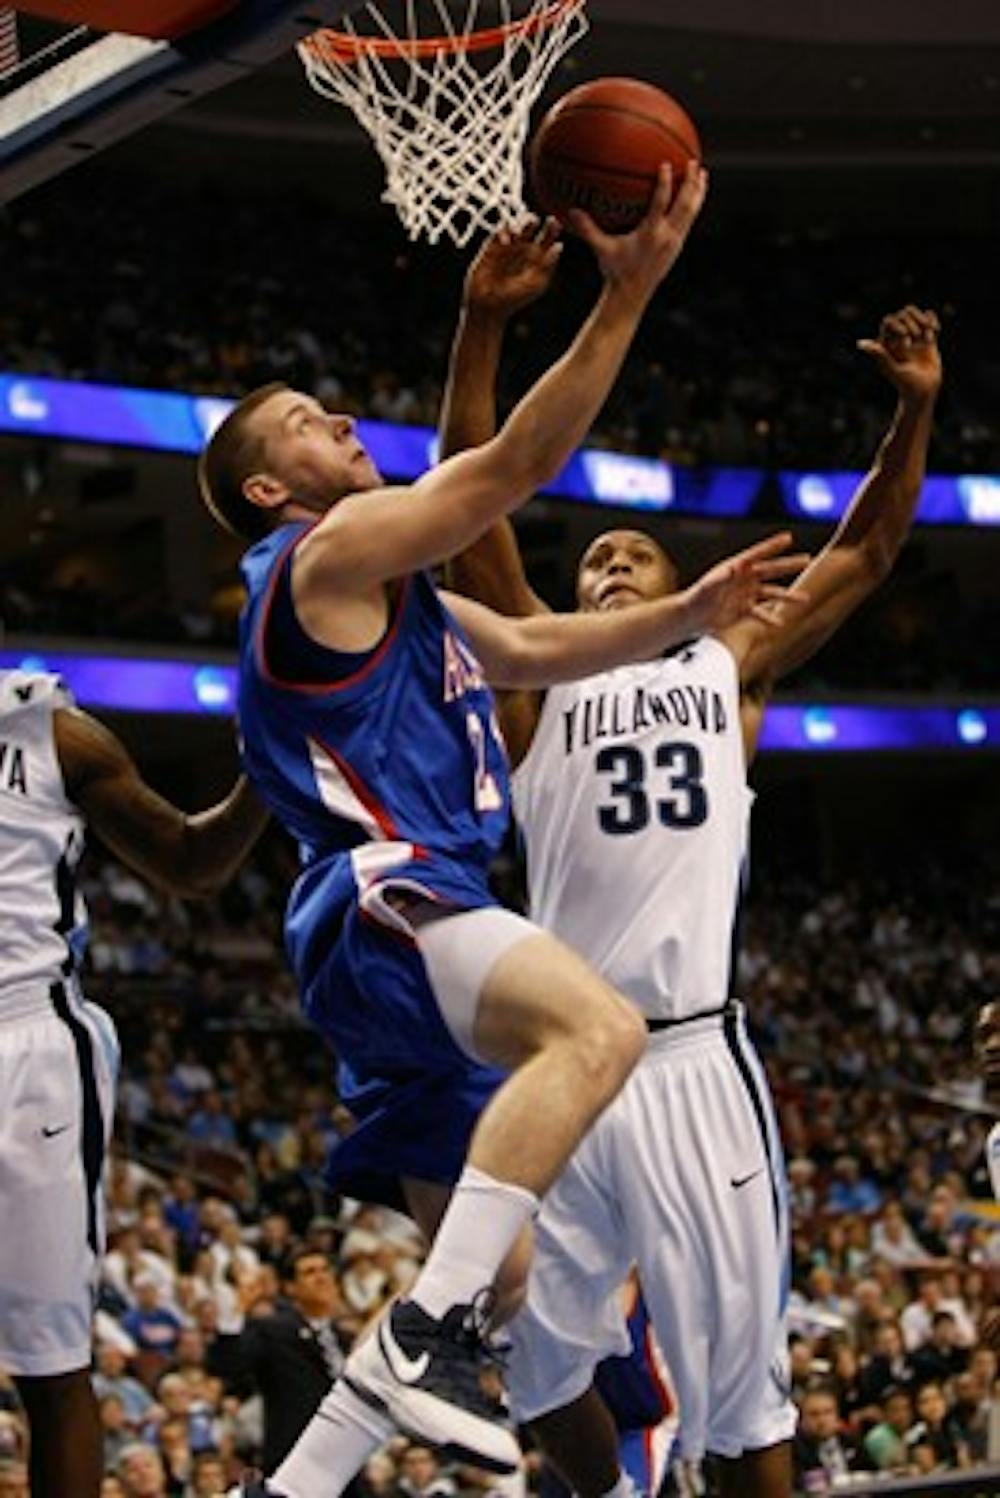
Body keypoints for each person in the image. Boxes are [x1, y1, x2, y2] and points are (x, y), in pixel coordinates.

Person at [198, 165, 805, 1498]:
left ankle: (297, 1482)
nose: (342, 420)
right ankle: (426, 1332)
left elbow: (533, 640)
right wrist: (626, 291)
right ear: (266, 493)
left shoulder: (399, 594)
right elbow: (519, 465)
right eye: (308, 421)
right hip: (388, 891)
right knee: (600, 1031)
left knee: (507, 1279)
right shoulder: (329, 554)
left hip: (378, 941)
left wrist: (688, 609)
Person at [441, 218, 942, 1498]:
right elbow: (467, 507)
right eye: (593, 556)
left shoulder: (722, 666)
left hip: (687, 1061)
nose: (606, 561)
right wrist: (483, 325)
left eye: (631, 554)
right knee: (542, 1378)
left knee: (739, 1405)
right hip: (566, 1064)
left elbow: (866, 555)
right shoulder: (538, 682)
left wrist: (912, 418)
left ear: (684, 586)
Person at [0, 668, 268, 1498]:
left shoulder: (47, 730)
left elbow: (194, 862)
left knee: (53, 1364)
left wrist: (271, 759)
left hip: (25, 1041)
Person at [209, 1248, 354, 1475]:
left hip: (346, 1457)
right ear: (290, 1288)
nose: (322, 1277)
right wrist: (237, 1310)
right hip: (296, 1461)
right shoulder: (272, 1330)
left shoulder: (343, 1337)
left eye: (326, 1270)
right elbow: (229, 1365)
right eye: (309, 1272)